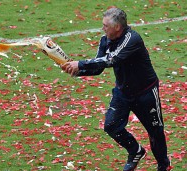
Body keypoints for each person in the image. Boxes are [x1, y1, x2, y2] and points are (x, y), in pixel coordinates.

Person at [61, 8, 171, 171]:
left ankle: (164, 166)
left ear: (117, 27)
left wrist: (81, 64)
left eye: (106, 25)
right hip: (123, 92)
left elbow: (111, 59)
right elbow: (98, 66)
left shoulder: (132, 39)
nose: (103, 28)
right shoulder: (105, 40)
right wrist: (77, 71)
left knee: (155, 132)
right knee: (111, 126)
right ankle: (135, 151)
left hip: (145, 93)